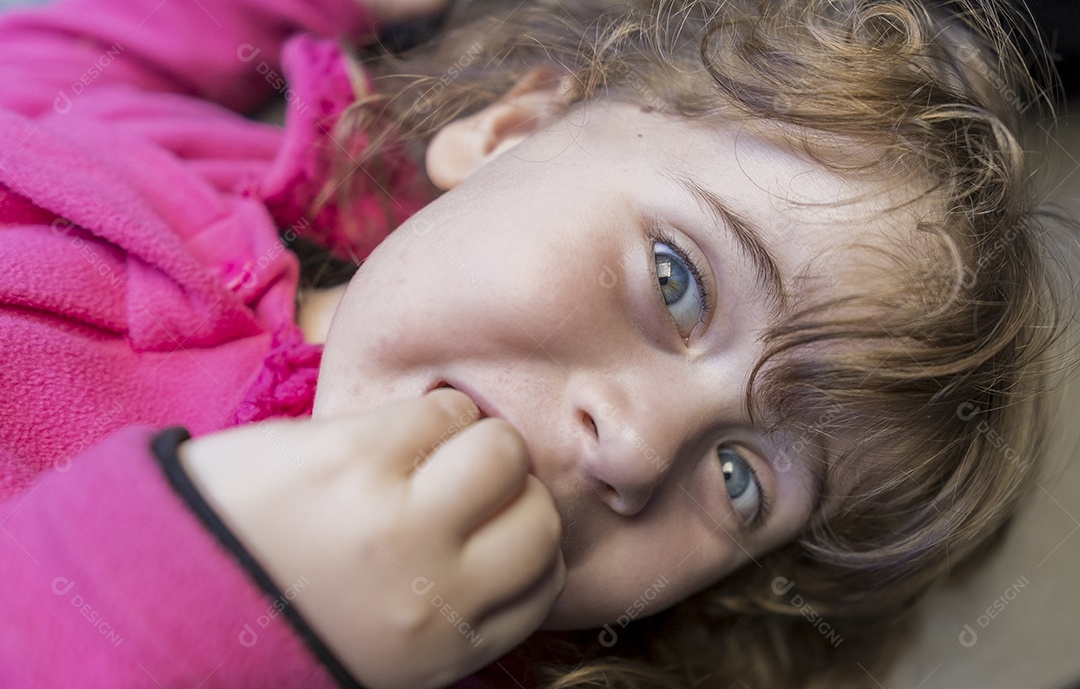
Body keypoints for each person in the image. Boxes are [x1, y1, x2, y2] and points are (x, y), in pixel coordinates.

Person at [0, 0, 1063, 687]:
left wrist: (207, 623)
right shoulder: (237, 164)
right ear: (509, 131)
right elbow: (55, 52)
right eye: (676, 278)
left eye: (743, 481)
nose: (639, 448)